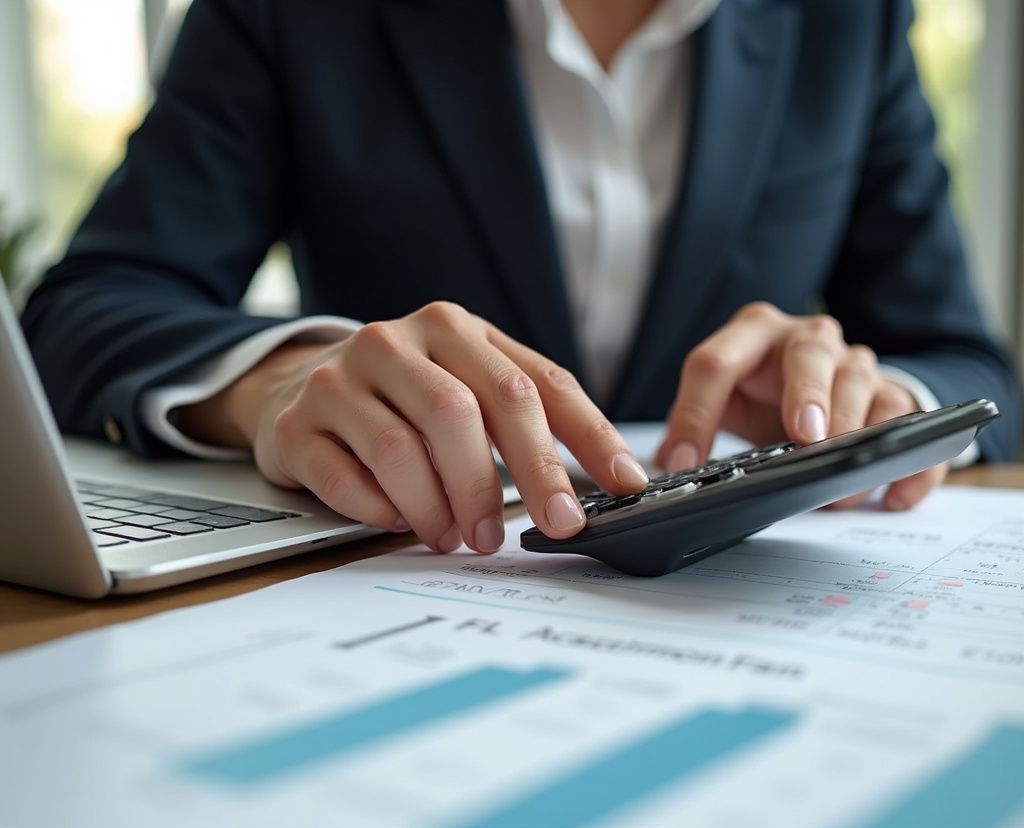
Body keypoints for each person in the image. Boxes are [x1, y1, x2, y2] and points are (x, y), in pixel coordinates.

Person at [23, 0, 1021, 557]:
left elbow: (969, 361)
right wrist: (271, 379)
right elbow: (83, 307)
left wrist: (887, 404)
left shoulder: (847, 21)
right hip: (423, 582)